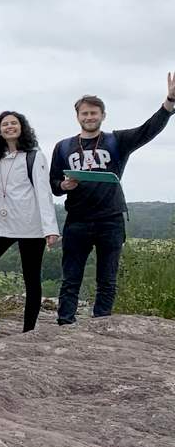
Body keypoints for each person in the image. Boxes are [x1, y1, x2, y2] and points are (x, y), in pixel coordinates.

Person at [49, 74, 175, 325]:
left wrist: (169, 102)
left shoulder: (117, 140)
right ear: (77, 117)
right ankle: (64, 324)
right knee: (71, 277)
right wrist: (63, 184)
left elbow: (147, 130)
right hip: (77, 220)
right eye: (84, 113)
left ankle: (101, 324)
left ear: (103, 115)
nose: (89, 117)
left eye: (94, 113)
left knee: (107, 278)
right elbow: (53, 184)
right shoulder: (63, 147)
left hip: (111, 219)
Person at [0, 111, 59, 336]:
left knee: (31, 280)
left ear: (22, 127)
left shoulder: (34, 156)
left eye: (14, 123)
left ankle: (28, 332)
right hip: (3, 225)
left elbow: (44, 192)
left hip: (31, 226)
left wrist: (50, 229)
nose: (9, 127)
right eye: (4, 124)